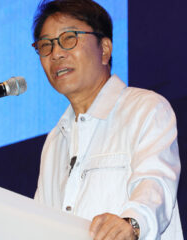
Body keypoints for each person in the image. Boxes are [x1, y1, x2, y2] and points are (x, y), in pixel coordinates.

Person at [32, 0, 183, 239]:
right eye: (45, 45)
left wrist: (132, 223)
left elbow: (156, 184)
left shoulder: (145, 109)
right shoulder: (55, 140)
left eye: (69, 38)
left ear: (104, 49)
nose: (56, 53)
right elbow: (41, 224)